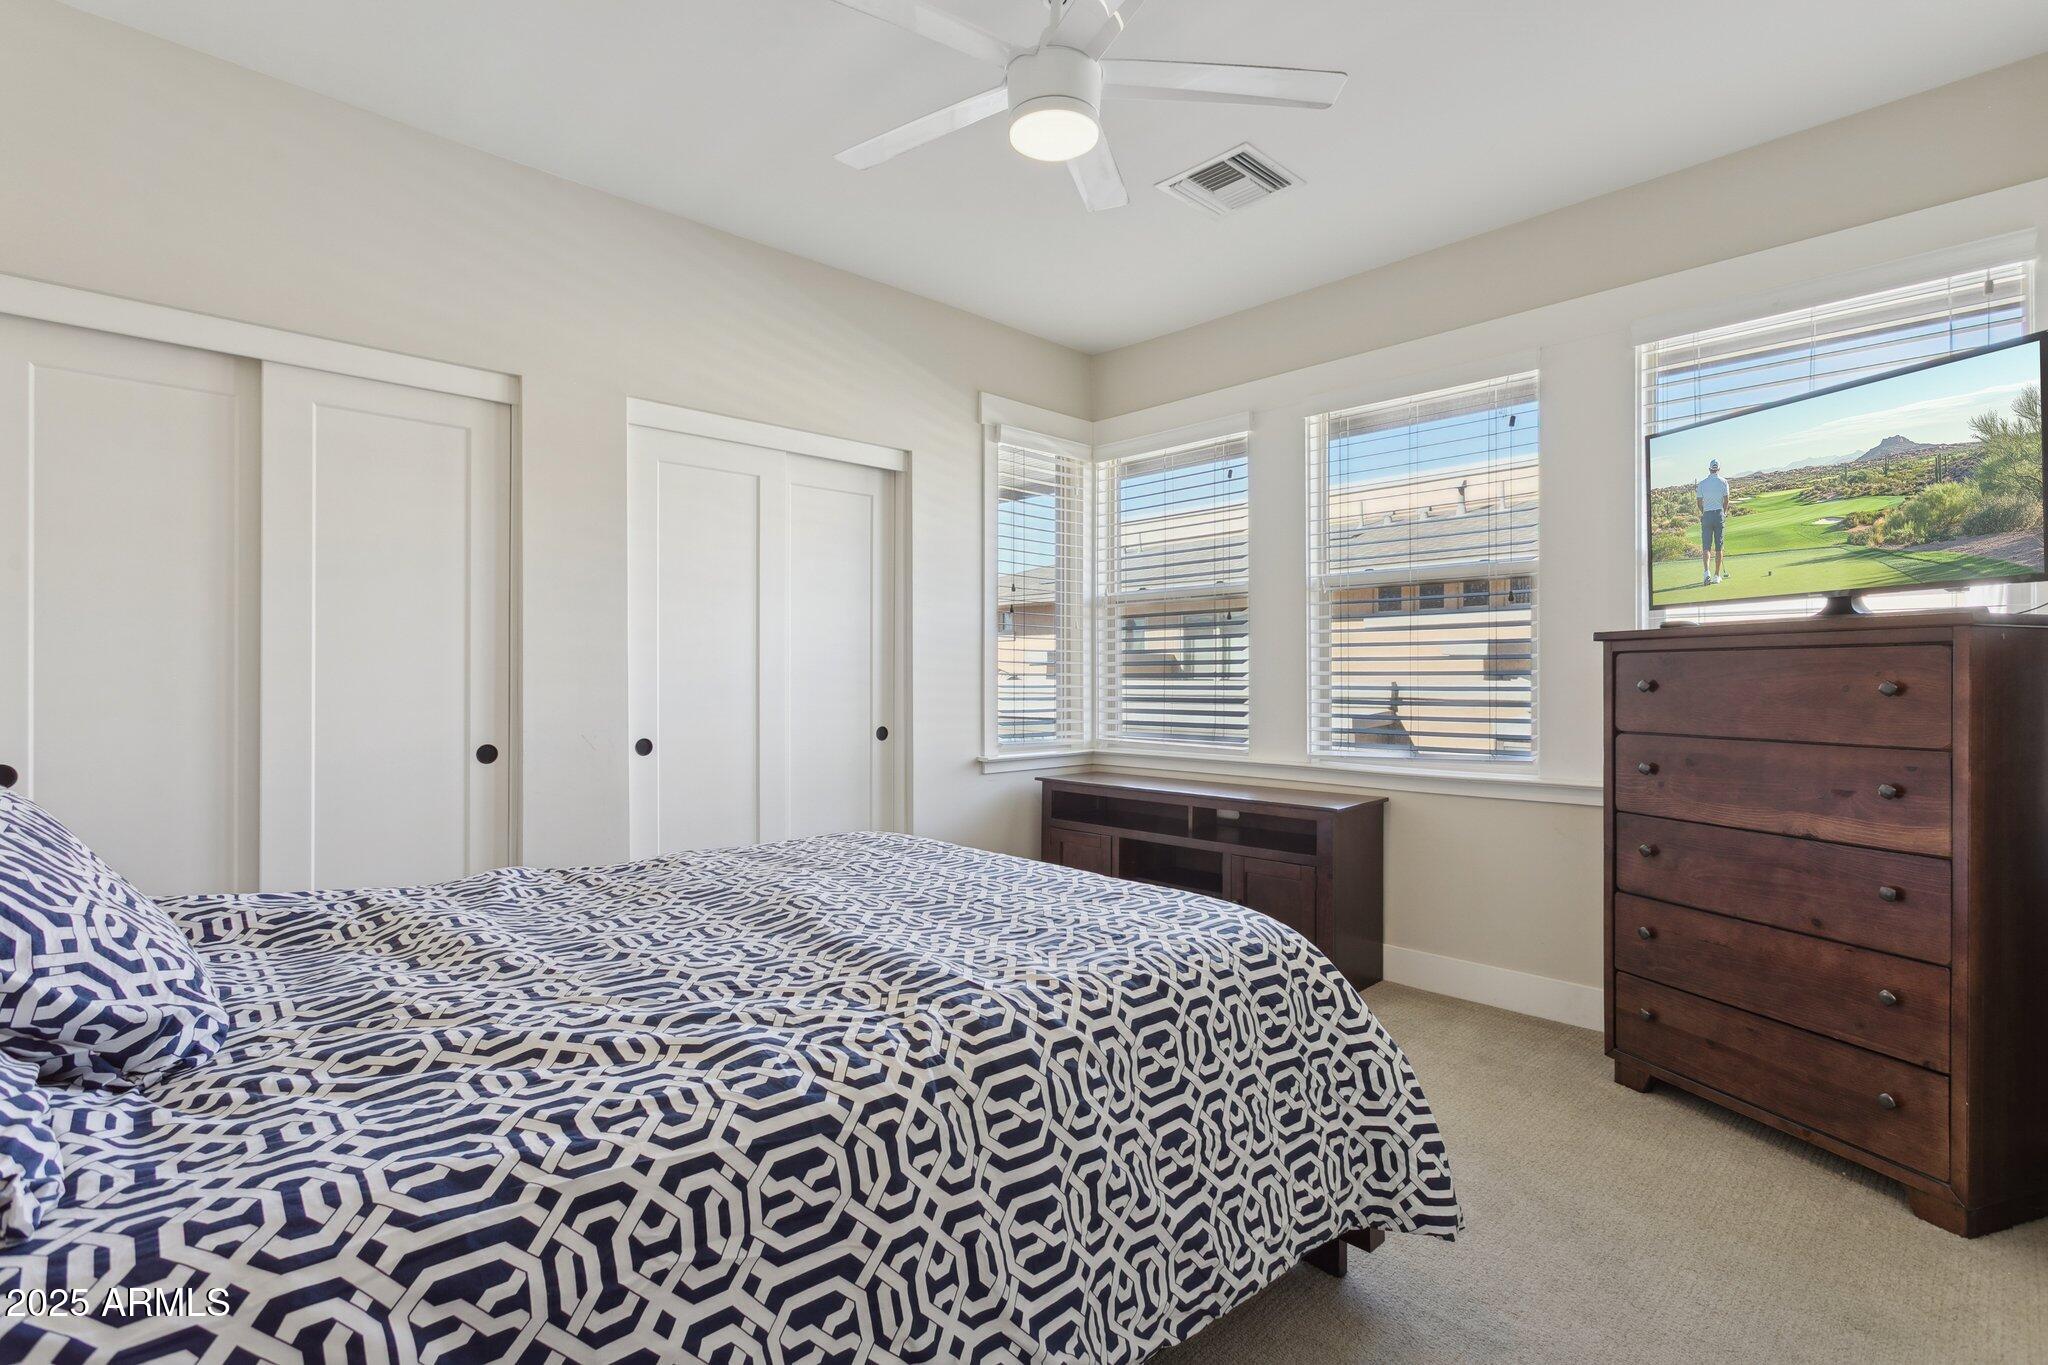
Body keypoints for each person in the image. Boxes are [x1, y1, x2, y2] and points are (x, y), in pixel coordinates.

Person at [1696, 459, 1729, 585]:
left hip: (1707, 515)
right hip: (1719, 514)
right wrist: (1724, 513)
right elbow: (1726, 501)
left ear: (1709, 469)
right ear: (1719, 469)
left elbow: (1699, 502)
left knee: (1706, 547)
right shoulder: (1723, 482)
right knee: (1719, 547)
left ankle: (1706, 573)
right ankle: (1716, 576)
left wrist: (1704, 512)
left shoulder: (1702, 483)